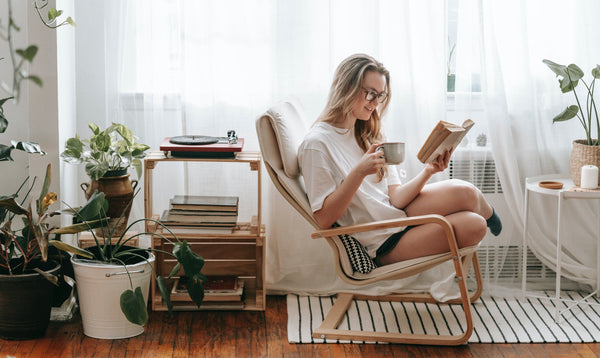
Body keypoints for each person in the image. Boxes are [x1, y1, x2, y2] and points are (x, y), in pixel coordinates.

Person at [297, 53, 501, 266]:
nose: (376, 103)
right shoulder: (317, 144)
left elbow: (395, 197)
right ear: (346, 87)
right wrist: (358, 173)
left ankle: (491, 215)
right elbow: (323, 219)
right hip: (381, 241)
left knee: (466, 192)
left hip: (397, 215)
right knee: (475, 225)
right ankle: (486, 218)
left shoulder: (366, 131)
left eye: (381, 95)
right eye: (370, 94)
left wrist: (429, 171)